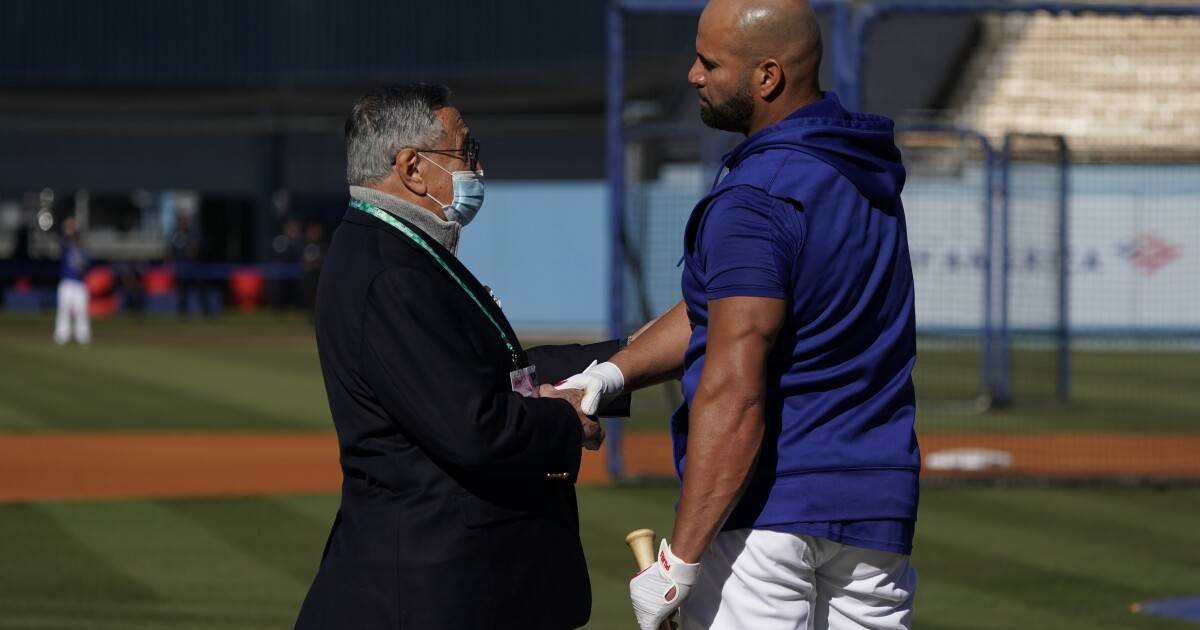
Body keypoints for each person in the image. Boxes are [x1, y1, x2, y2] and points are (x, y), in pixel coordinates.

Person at [557, 1, 920, 628]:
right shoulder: (859, 167)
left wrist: (680, 561)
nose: (693, 75)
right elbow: (723, 308)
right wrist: (612, 374)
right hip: (877, 510)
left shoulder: (757, 194)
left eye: (710, 62)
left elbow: (734, 389)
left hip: (771, 512)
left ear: (768, 77)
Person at [294, 82, 629, 630]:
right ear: (413, 168)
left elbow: (497, 372)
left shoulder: (401, 250)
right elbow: (473, 426)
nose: (478, 167)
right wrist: (565, 420)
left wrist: (624, 362)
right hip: (425, 594)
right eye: (466, 150)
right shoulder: (391, 270)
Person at [53, 216, 91, 346]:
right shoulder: (66, 249)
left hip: (80, 284)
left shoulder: (84, 253)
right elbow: (58, 235)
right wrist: (66, 226)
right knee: (63, 310)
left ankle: (83, 336)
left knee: (81, 311)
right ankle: (62, 336)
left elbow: (87, 266)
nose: (77, 240)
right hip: (67, 283)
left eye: (78, 238)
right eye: (75, 238)